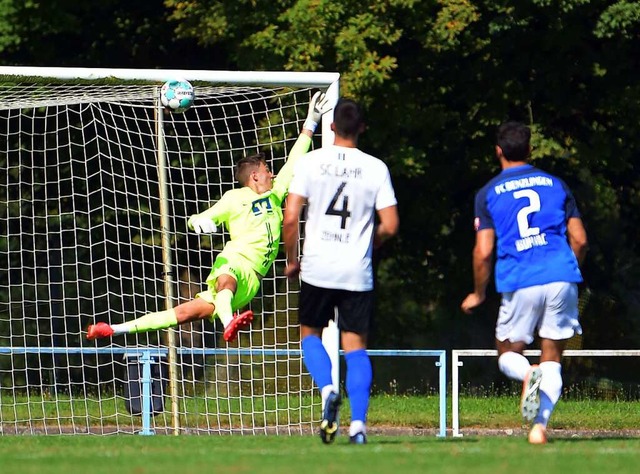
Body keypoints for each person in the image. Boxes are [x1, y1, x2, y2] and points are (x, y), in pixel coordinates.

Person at [86, 91, 332, 343]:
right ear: (255, 176)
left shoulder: (275, 195)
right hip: (234, 261)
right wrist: (201, 221)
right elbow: (200, 217)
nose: (272, 174)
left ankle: (113, 329)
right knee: (226, 281)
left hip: (252, 281)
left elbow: (292, 163)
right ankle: (229, 323)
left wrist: (310, 123)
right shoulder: (234, 198)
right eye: (267, 170)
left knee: (180, 314)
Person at [461, 121, 588, 444]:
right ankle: (539, 428)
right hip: (561, 275)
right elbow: (580, 240)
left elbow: (483, 251)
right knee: (553, 357)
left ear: (498, 152)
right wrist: (568, 270)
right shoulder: (556, 184)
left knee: (507, 352)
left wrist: (478, 292)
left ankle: (527, 374)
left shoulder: (488, 193)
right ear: (530, 150)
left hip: (520, 278)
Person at [283, 98, 399, 445]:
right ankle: (359, 427)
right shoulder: (376, 167)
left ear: (331, 126)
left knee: (310, 335)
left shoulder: (310, 162)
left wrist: (292, 258)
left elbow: (291, 218)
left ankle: (329, 388)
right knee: (356, 348)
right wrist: (372, 242)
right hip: (356, 271)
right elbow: (391, 225)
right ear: (362, 128)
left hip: (317, 268)